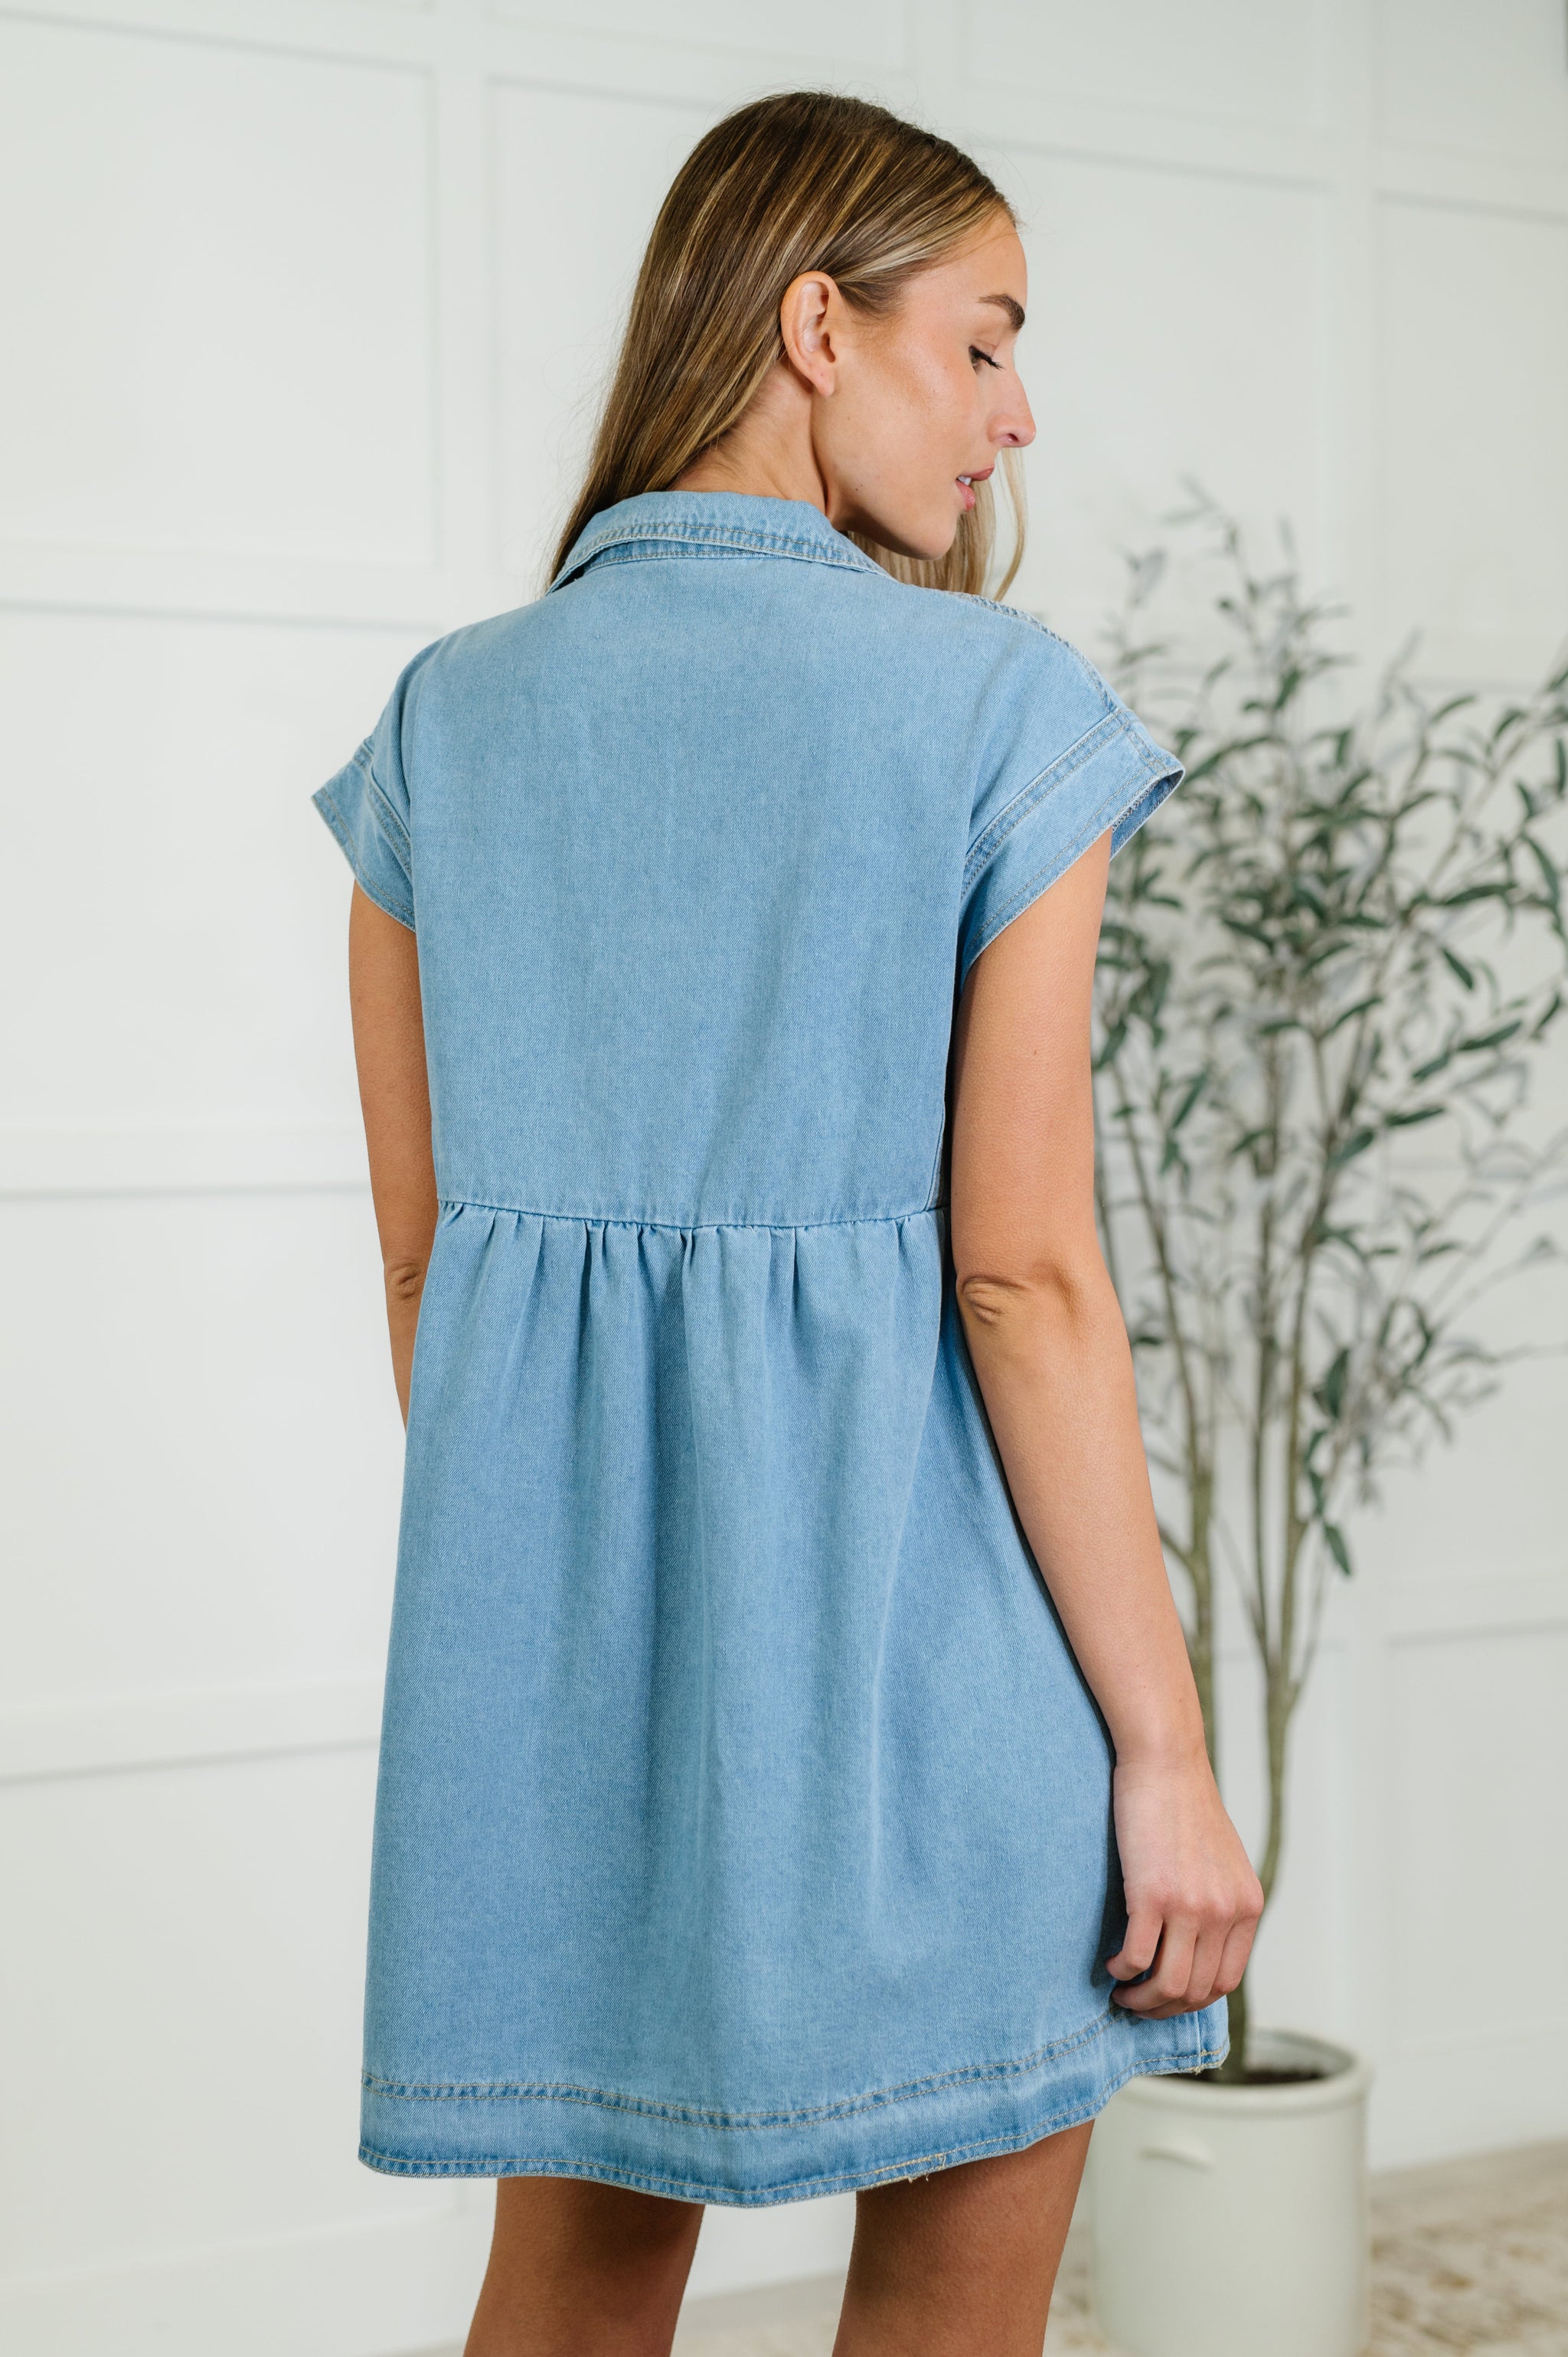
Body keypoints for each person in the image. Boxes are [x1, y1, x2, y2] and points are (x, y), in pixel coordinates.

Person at [312, 89, 1262, 2357]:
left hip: (568, 1703)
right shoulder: (996, 708)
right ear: (819, 327)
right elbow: (1021, 1272)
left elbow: (434, 1282)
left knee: (566, 2300)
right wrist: (1164, 1753)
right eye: (984, 341)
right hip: (949, 1680)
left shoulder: (448, 723)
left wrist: (588, 1645)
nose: (1017, 416)